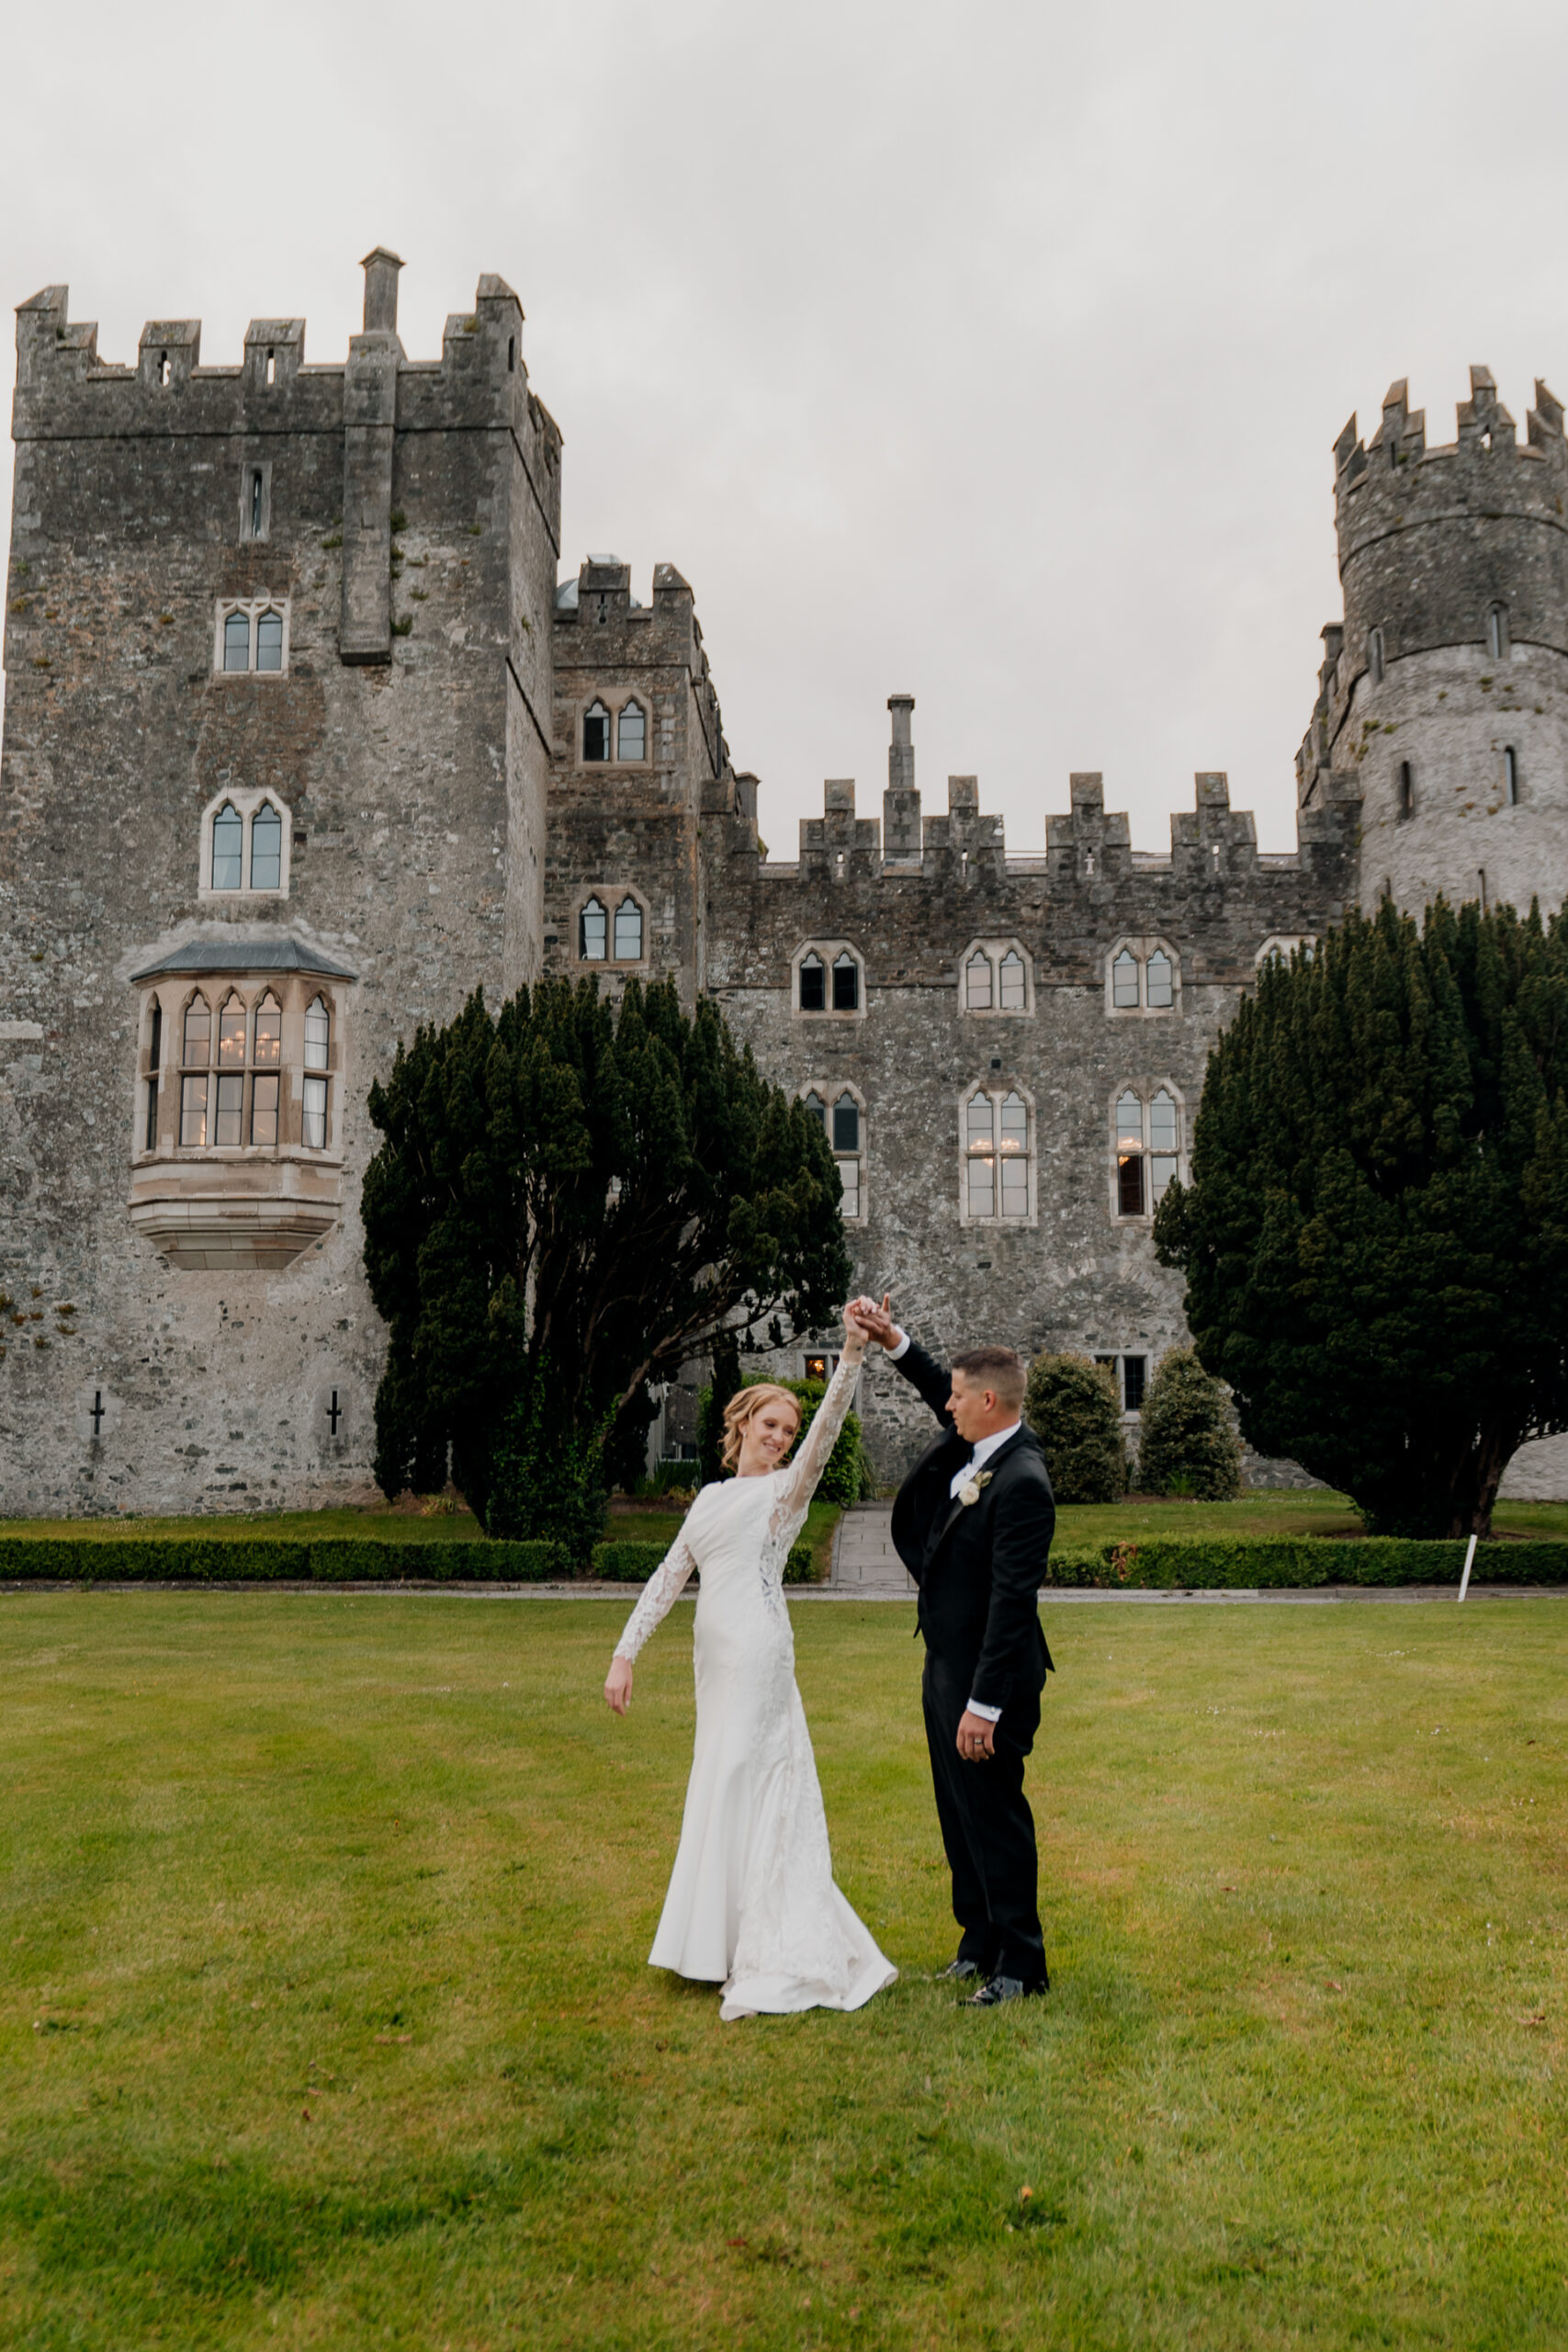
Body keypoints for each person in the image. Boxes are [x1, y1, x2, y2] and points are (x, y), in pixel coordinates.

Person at [604, 1309, 897, 2023]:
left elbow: (824, 1442)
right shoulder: (708, 1498)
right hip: (714, 1658)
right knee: (718, 1774)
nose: (778, 1438)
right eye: (769, 1425)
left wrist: (852, 1359)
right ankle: (716, 1940)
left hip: (760, 1650)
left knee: (747, 1771)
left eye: (786, 1432)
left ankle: (766, 1939)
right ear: (740, 1426)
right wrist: (624, 1654)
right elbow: (670, 1575)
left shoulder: (783, 1496)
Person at [847, 1295, 1055, 2007]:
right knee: (957, 1812)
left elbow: (1011, 1606)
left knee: (993, 1814)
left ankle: (1020, 1965)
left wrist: (984, 1706)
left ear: (989, 1401)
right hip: (946, 1666)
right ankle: (977, 1943)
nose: (948, 1409)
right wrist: (892, 1339)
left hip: (986, 1680)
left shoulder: (1022, 1482)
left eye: (960, 1400)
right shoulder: (980, 1444)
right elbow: (939, 1382)